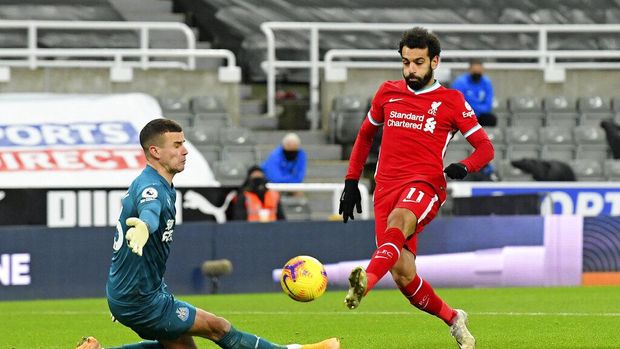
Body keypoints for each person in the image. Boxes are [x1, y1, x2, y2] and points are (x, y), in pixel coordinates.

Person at [77, 119, 339, 349]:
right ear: (155, 151)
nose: (185, 150)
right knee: (218, 328)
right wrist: (145, 226)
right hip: (139, 297)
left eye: (184, 143)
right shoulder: (152, 187)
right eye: (177, 145)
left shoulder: (157, 183)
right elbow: (150, 209)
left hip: (136, 291)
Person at [338, 28, 494, 349]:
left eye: (419, 62)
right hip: (385, 188)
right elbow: (365, 135)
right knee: (403, 275)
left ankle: (364, 283)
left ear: (434, 62)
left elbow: (484, 148)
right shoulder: (387, 93)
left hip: (425, 185)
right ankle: (454, 318)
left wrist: (466, 166)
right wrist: (352, 181)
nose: (411, 70)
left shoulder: (451, 101)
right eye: (406, 62)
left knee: (400, 221)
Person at [451, 58, 497, 127]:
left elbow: (488, 105)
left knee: (491, 119)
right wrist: (471, 109)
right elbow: (457, 103)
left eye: (479, 71)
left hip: (481, 114)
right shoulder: (460, 82)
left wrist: (473, 107)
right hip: (465, 114)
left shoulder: (486, 83)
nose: (477, 73)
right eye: (475, 71)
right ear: (469, 70)